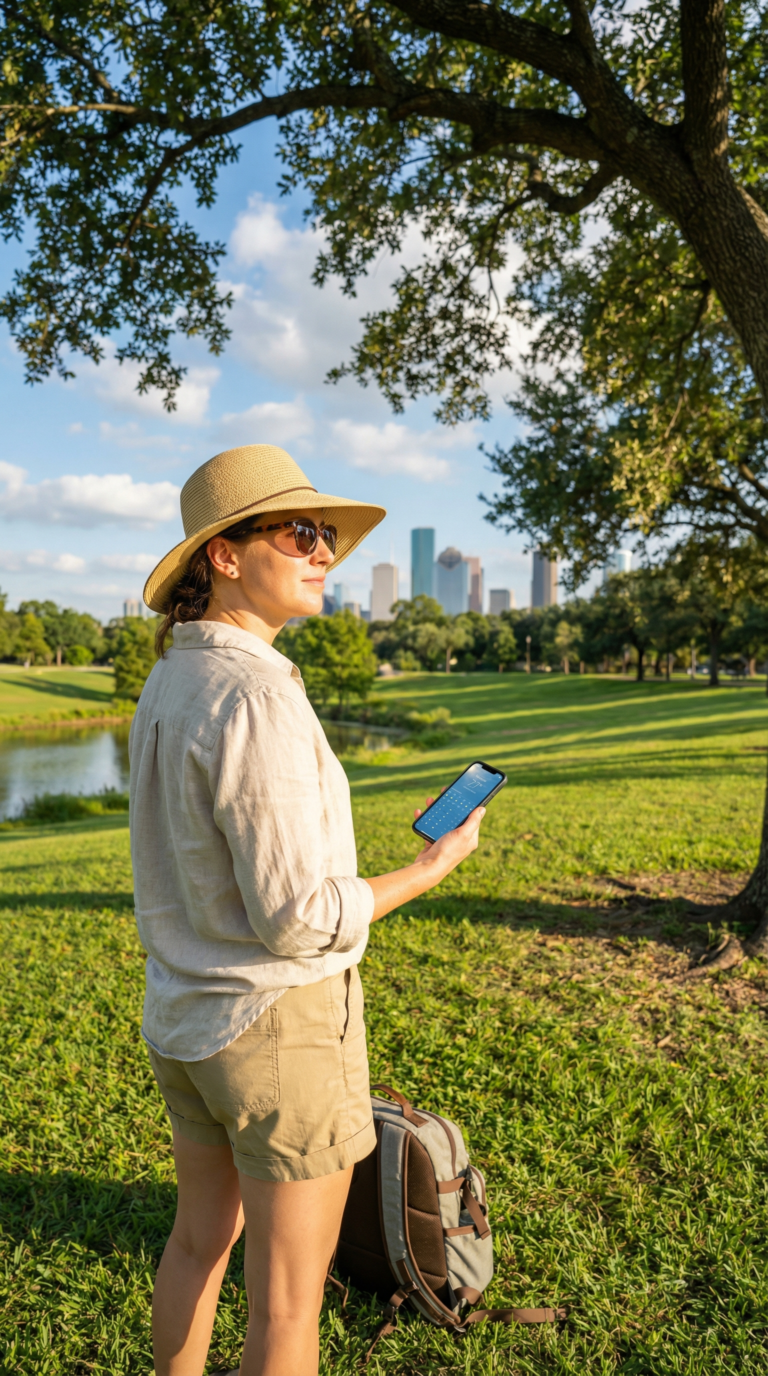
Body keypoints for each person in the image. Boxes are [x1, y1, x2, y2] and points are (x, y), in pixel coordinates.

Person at [129, 444, 487, 1376]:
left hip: (187, 1021)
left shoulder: (171, 677)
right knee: (287, 1309)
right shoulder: (254, 693)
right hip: (276, 1030)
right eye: (300, 533)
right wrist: (427, 870)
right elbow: (298, 917)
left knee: (197, 1245)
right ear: (226, 554)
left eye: (326, 534)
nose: (322, 549)